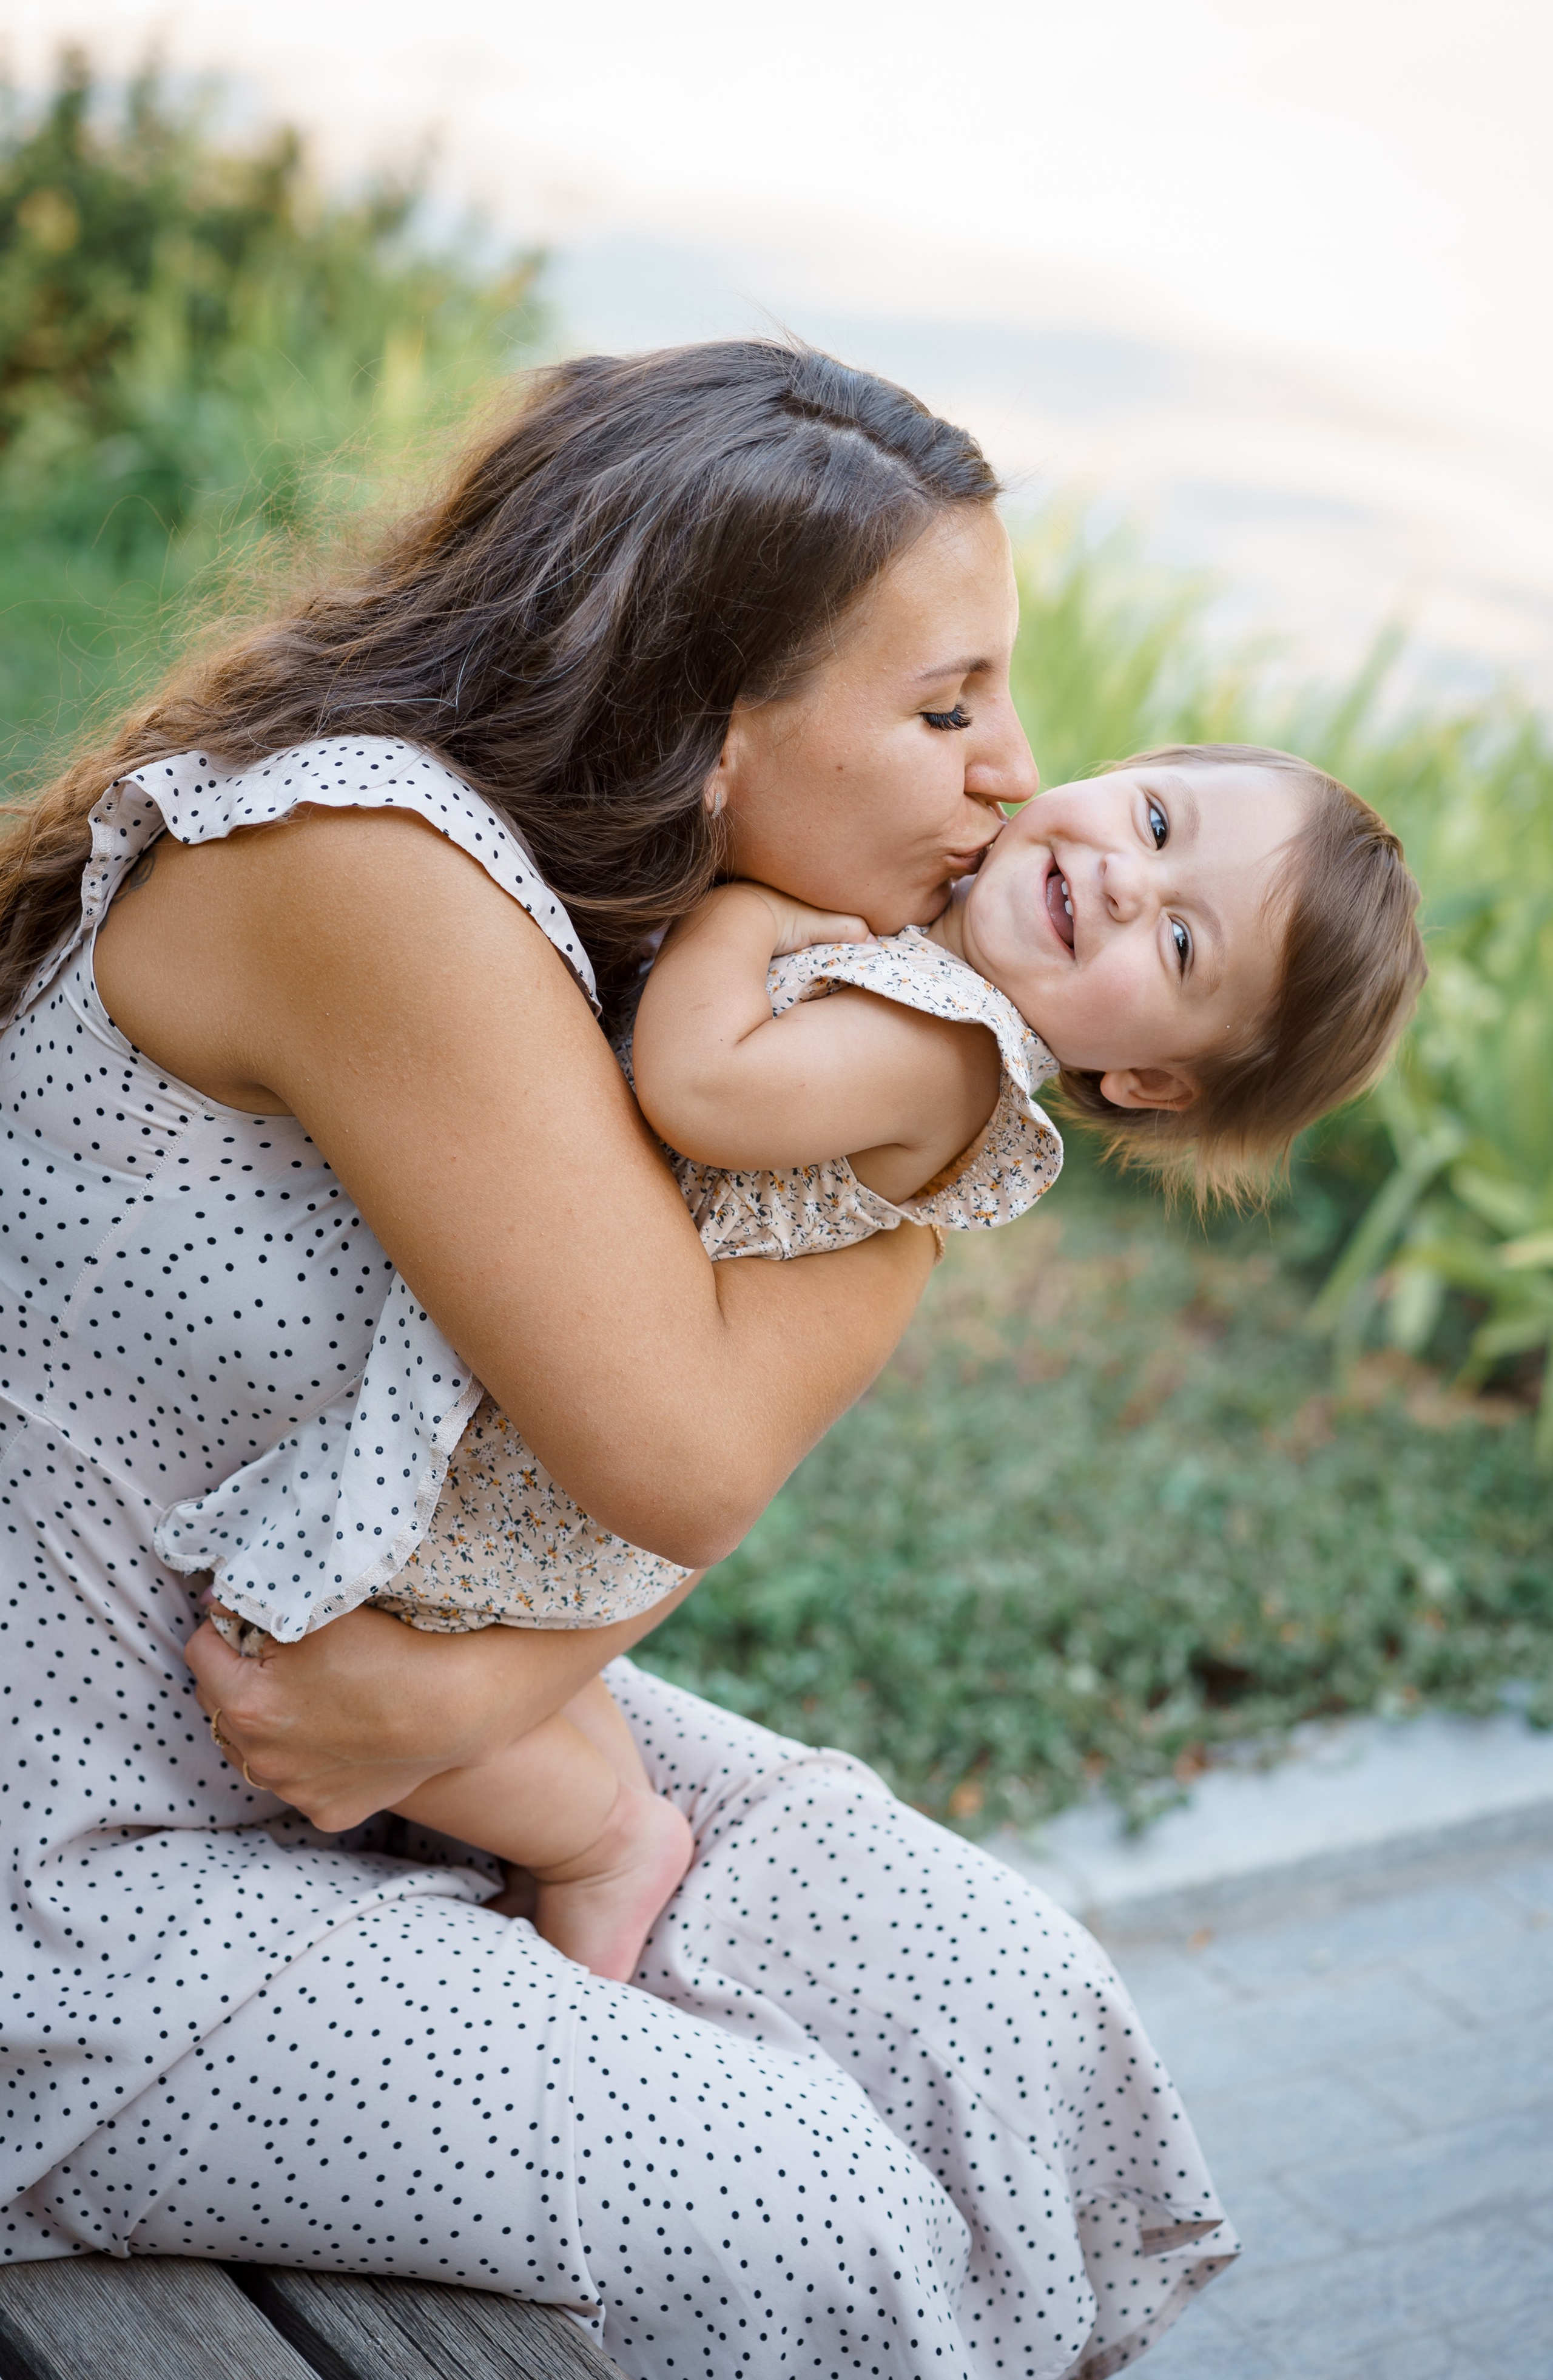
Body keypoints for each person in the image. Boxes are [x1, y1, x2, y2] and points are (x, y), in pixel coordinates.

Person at [2, 341, 1240, 2378]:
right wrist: (962, 1105)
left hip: (350, 1706)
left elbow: (639, 1476)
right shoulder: (374, 875)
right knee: (800, 2210)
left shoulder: (668, 918)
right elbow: (681, 1452)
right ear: (709, 727)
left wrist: (481, 1689)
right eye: (945, 708)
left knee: (995, 1999)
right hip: (75, 1851)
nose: (1017, 770)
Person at [197, 734, 1423, 1987]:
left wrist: (741, 912)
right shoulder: (918, 962)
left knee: (336, 1645)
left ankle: (604, 1839)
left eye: (1177, 943)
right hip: (584, 1368)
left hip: (550, 1455)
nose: (1124, 884)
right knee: (507, 1680)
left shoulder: (949, 1049)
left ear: (1150, 1078)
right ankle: (585, 1805)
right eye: (1156, 821)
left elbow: (700, 1085)